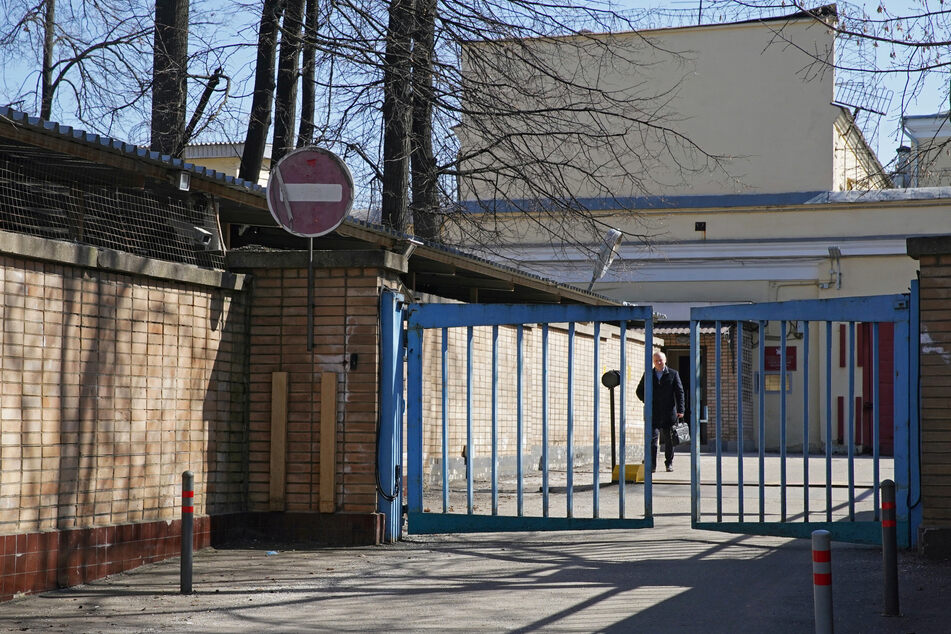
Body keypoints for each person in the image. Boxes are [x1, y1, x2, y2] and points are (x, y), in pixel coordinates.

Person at [635, 351, 685, 472]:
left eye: (660, 360)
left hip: (669, 413)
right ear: (653, 361)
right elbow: (639, 391)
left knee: (669, 440)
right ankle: (652, 465)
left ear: (665, 360)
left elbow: (679, 393)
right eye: (656, 360)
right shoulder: (648, 374)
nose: (658, 362)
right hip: (653, 413)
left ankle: (669, 463)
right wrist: (647, 401)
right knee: (652, 440)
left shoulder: (673, 374)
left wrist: (681, 410)